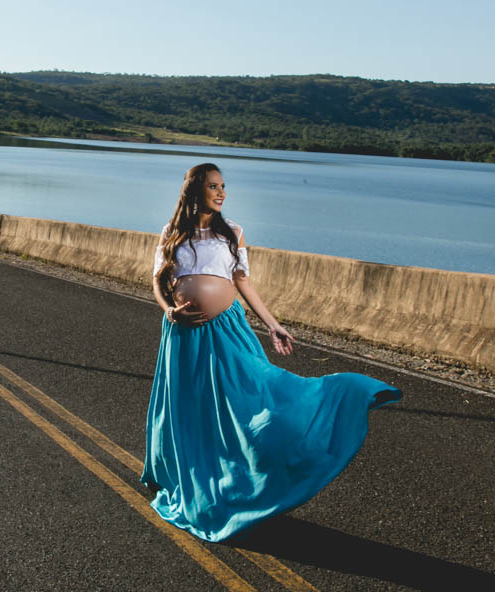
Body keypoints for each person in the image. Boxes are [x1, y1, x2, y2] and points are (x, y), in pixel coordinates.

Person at [140, 162, 401, 543]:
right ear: (195, 190)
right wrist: (168, 310)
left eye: (223, 186)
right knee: (190, 407)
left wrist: (273, 324)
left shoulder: (233, 233)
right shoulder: (172, 232)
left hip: (226, 329)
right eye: (213, 186)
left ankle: (251, 476)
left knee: (250, 399)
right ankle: (184, 473)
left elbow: (243, 282)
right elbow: (158, 281)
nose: (222, 192)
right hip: (183, 335)